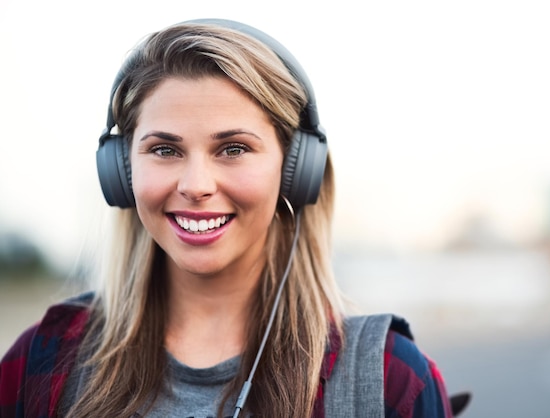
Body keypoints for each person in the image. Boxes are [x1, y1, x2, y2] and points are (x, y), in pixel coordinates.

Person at [0, 19, 464, 417]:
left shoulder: (391, 378)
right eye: (164, 149)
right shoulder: (42, 362)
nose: (196, 184)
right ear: (121, 173)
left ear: (294, 171)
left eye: (234, 149)